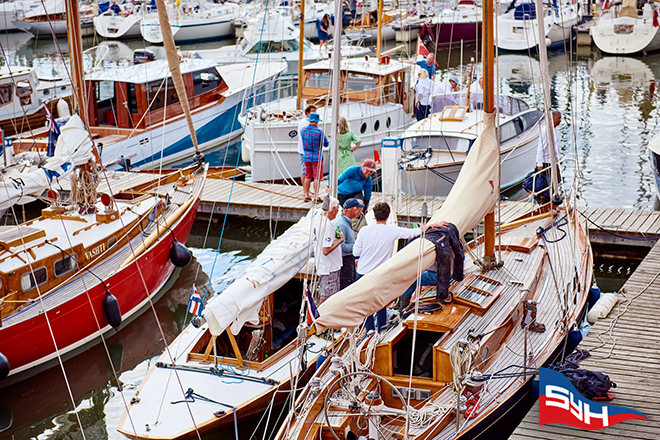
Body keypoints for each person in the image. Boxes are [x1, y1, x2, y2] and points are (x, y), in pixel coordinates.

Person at [353, 202, 422, 332]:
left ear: (374, 215)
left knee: (366, 304)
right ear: (388, 215)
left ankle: (369, 331)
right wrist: (425, 227)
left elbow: (355, 252)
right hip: (380, 274)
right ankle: (381, 329)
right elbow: (412, 233)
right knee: (380, 303)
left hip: (362, 273)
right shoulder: (392, 231)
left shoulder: (364, 231)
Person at [313, 198, 344, 303]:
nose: (337, 213)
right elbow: (325, 251)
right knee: (328, 298)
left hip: (324, 266)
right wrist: (340, 241)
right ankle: (320, 318)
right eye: (337, 210)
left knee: (326, 295)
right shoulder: (327, 226)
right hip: (329, 268)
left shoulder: (319, 220)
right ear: (333, 209)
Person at [334, 198, 363, 289]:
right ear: (351, 209)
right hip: (345, 261)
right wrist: (357, 247)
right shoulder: (341, 224)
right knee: (346, 285)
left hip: (348, 260)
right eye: (358, 208)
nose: (360, 210)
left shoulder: (346, 222)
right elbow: (341, 246)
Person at [301, 112, 329, 202]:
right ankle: (316, 196)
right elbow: (326, 144)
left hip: (307, 157)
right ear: (316, 122)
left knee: (308, 176)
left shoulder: (303, 131)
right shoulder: (319, 132)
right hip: (317, 157)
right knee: (316, 177)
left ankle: (306, 194)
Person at [535, 110, 562, 203]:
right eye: (558, 118)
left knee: (557, 182)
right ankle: (545, 203)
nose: (560, 120)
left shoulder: (554, 130)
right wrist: (539, 164)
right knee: (545, 186)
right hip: (546, 162)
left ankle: (553, 201)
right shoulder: (546, 130)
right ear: (553, 118)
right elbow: (540, 148)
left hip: (553, 161)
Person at [298, 104, 317, 199]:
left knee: (305, 170)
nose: (315, 114)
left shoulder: (306, 122)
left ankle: (306, 190)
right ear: (307, 113)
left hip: (304, 150)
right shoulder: (306, 123)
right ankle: (305, 191)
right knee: (305, 171)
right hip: (305, 151)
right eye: (313, 112)